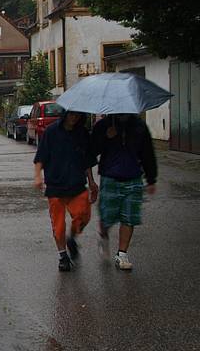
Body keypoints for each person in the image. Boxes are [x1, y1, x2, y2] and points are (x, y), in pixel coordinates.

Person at [90, 113, 157, 271]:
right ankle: (104, 236)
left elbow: (147, 152)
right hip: (110, 177)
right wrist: (105, 137)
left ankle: (122, 254)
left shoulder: (139, 126)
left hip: (133, 178)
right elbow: (91, 150)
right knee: (107, 216)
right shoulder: (103, 125)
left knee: (129, 217)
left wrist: (151, 178)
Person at [33, 111, 98, 271]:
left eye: (77, 115)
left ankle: (72, 238)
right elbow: (40, 156)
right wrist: (37, 176)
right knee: (59, 225)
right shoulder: (51, 131)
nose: (74, 117)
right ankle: (63, 256)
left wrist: (91, 181)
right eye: (71, 114)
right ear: (65, 114)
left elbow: (87, 160)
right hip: (56, 186)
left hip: (77, 184)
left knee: (83, 216)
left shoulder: (82, 133)